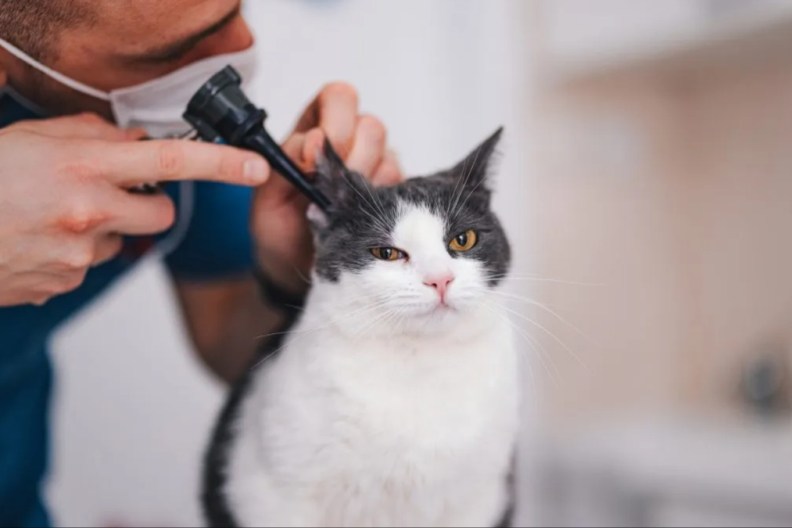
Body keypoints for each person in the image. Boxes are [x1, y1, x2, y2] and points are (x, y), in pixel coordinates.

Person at [0, 1, 402, 525]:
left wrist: (299, 281)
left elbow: (229, 339)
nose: (240, 49)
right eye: (179, 52)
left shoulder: (168, 130)